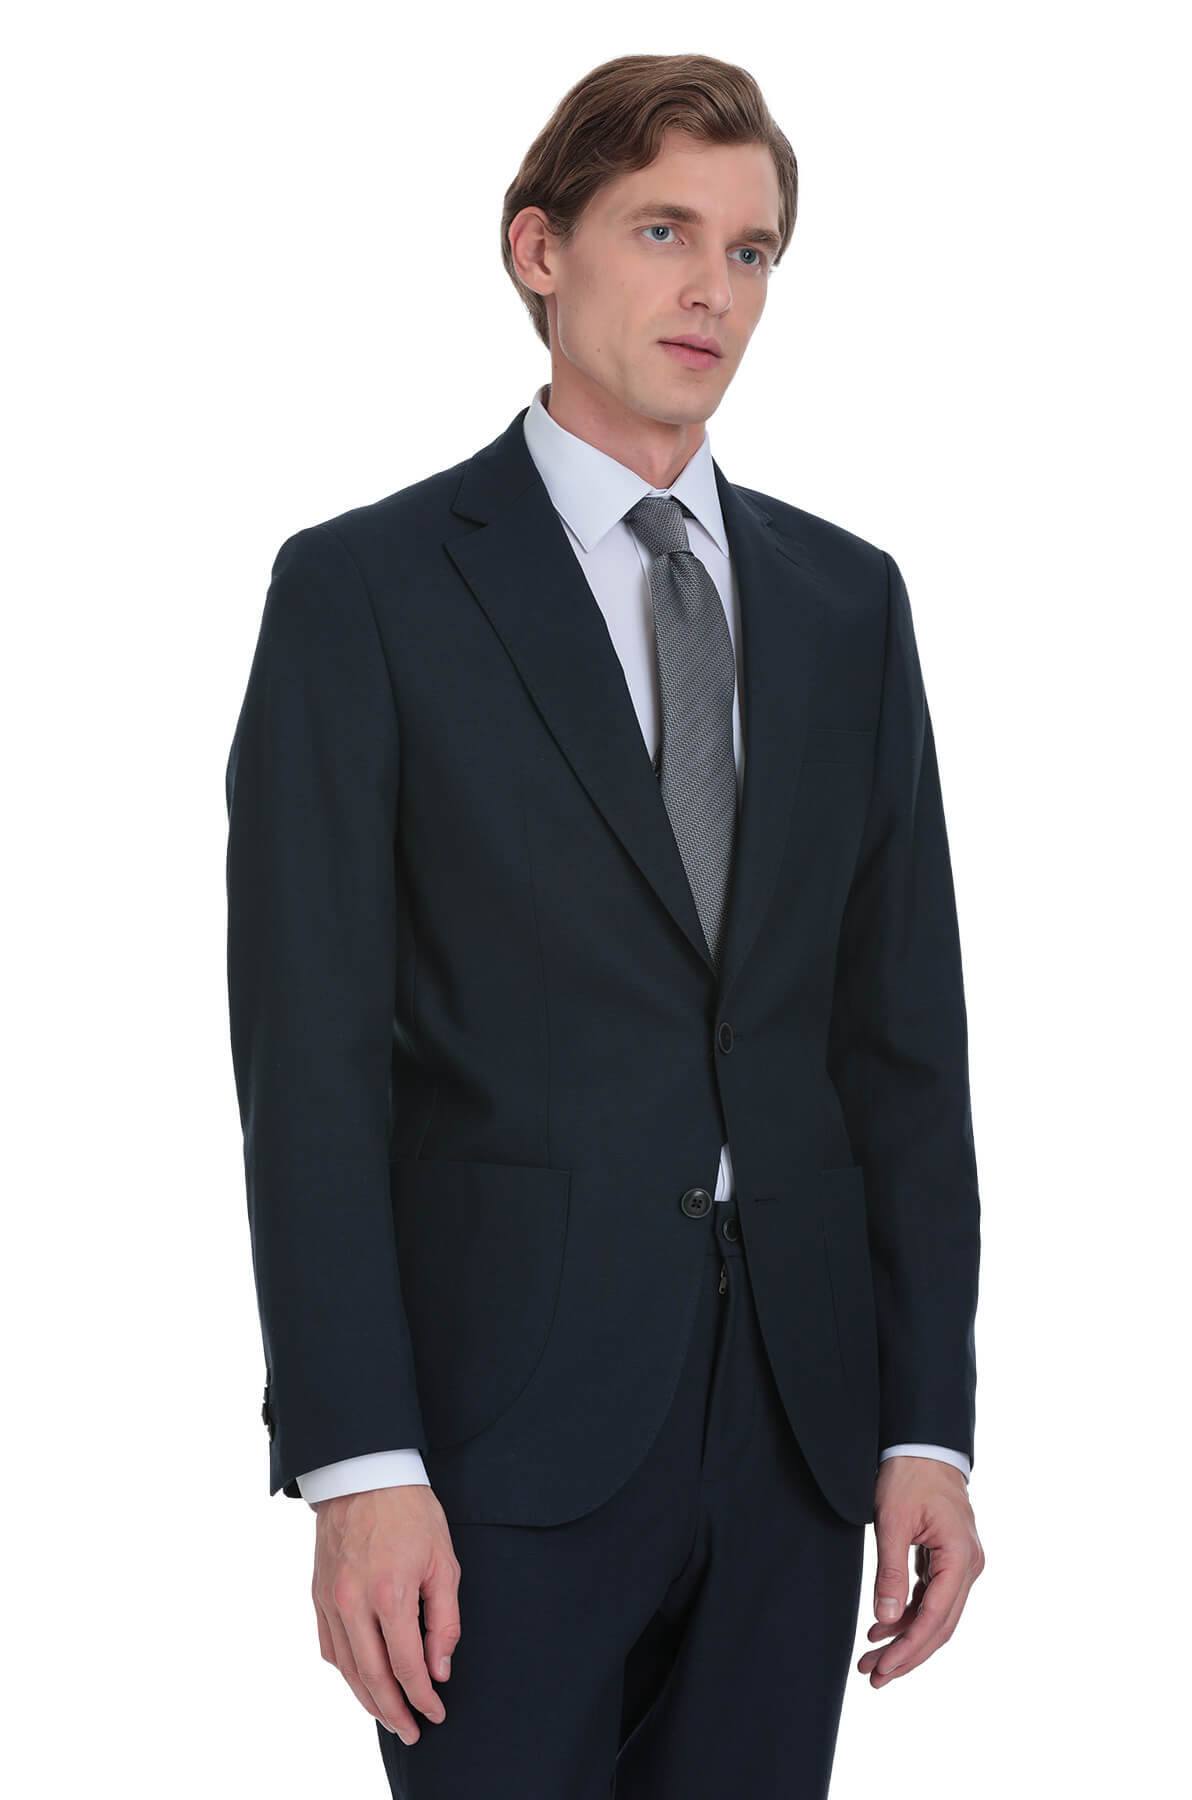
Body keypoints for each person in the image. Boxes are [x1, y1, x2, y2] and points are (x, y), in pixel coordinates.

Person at [224, 50, 984, 1800]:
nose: (714, 286)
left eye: (751, 249)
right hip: (495, 1444)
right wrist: (359, 1463)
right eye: (664, 230)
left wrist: (925, 1425)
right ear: (539, 248)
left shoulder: (848, 604)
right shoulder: (367, 591)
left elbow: (902, 1047)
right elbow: (310, 1061)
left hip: (797, 1435)